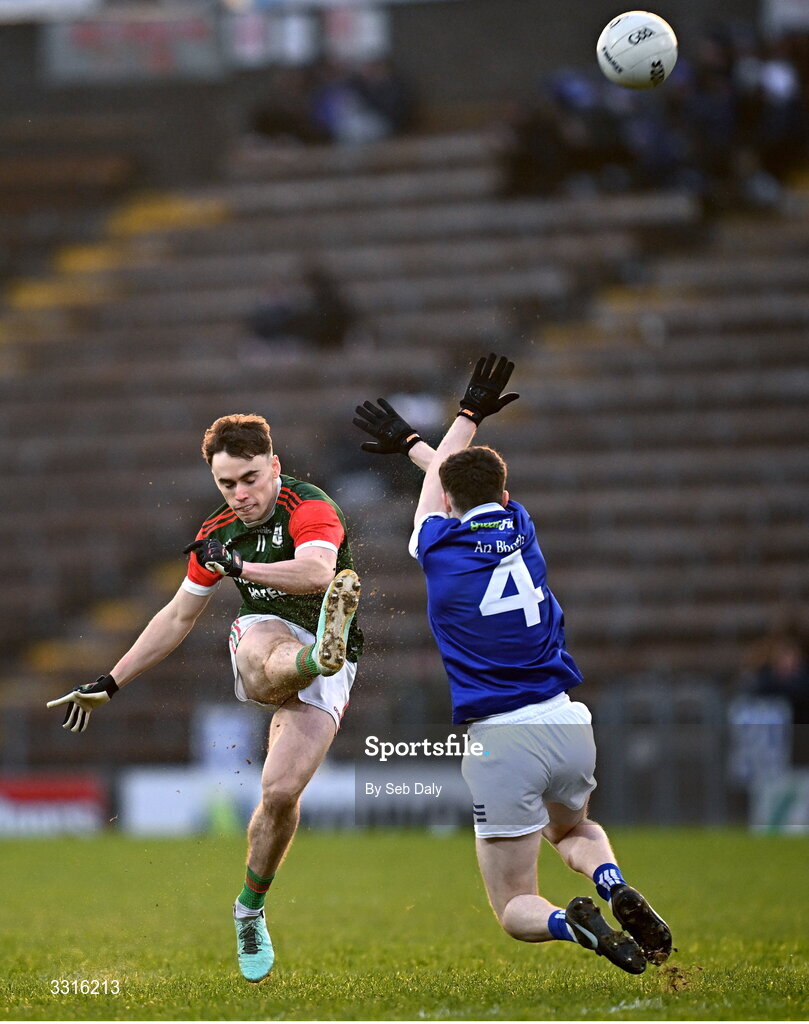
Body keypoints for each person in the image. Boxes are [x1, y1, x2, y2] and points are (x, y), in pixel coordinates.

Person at [353, 355, 672, 975]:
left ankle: (574, 925)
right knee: (575, 832)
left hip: (501, 739)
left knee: (514, 904)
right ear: (504, 496)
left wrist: (440, 429)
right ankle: (611, 884)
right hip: (567, 722)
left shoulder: (438, 544)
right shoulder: (521, 526)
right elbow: (456, 482)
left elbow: (441, 488)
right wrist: (453, 424)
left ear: (447, 503)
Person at [46, 413, 362, 984]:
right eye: (227, 484)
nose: (240, 495)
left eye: (250, 478)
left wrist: (241, 566)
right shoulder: (215, 533)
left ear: (275, 468)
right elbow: (177, 616)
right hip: (266, 633)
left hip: (327, 638)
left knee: (281, 792)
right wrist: (110, 681)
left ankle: (249, 908)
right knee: (265, 650)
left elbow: (319, 573)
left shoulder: (309, 507)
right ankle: (314, 660)